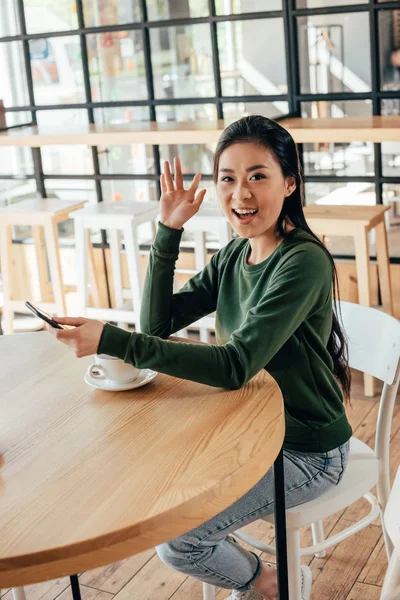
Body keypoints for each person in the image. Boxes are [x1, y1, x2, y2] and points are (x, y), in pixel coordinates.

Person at [48, 115, 352, 600]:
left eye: (258, 176)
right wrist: (168, 230)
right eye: (228, 178)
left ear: (290, 182)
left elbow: (234, 366)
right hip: (251, 429)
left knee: (179, 540)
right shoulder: (237, 254)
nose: (241, 194)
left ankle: (274, 583)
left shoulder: (303, 261)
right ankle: (251, 572)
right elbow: (156, 326)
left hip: (307, 451)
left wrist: (111, 341)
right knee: (159, 482)